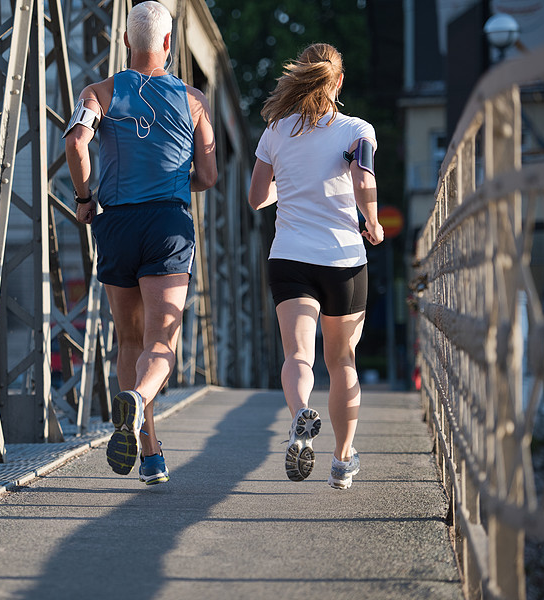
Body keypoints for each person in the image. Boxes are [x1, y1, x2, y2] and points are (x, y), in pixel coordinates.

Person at [64, 1, 217, 485]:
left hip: (116, 225)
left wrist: (84, 197)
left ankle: (151, 456)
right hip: (167, 226)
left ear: (127, 42)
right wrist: (171, 179)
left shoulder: (98, 93)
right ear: (169, 44)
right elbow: (209, 176)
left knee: (128, 340)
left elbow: (75, 143)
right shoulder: (194, 100)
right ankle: (137, 400)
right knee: (161, 342)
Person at [247, 43, 383, 490]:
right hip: (343, 259)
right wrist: (374, 223)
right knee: (342, 360)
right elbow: (363, 180)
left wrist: (288, 187)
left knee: (298, 355)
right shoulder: (356, 129)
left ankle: (300, 414)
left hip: (289, 257)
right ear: (338, 81)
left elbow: (256, 198)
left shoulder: (275, 132)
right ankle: (343, 462)